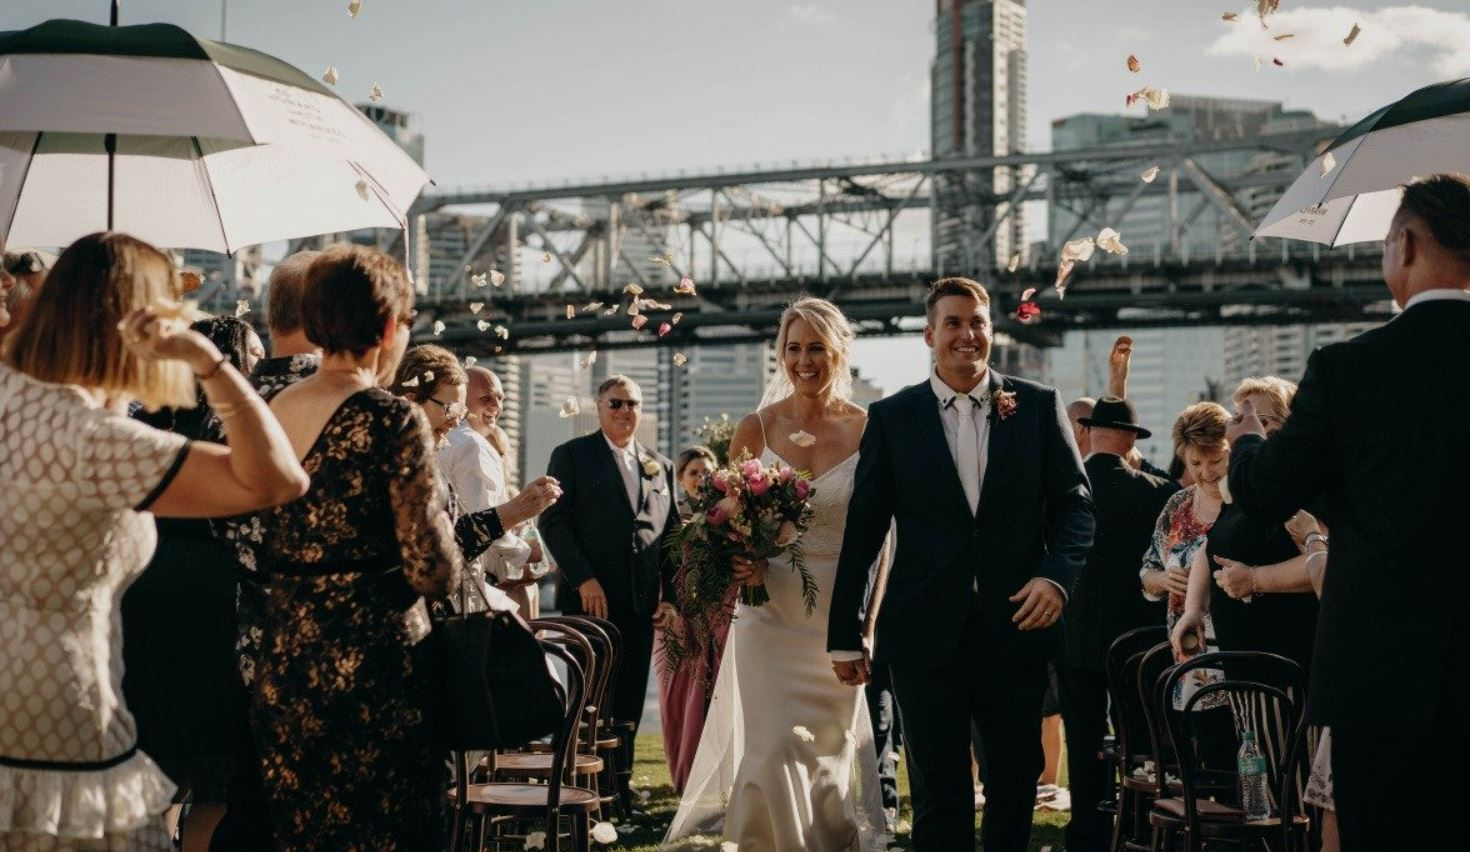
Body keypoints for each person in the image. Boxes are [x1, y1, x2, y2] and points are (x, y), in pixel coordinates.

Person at [0, 231, 308, 850]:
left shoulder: (15, 401)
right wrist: (210, 364)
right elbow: (277, 479)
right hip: (62, 723)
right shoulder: (97, 443)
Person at [1224, 174, 1470, 851]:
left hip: (1377, 677)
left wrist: (1247, 442)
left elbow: (1265, 492)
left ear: (1406, 244)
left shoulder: (1348, 369)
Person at [828, 278, 1095, 852]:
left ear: (991, 331)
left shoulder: (1038, 405)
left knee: (1014, 786)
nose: (966, 334)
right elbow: (865, 530)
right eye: (953, 323)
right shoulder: (893, 417)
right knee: (938, 795)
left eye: (977, 322)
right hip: (923, 634)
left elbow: (1075, 506)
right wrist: (845, 634)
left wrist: (1056, 577)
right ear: (930, 335)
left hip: (1017, 627)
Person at [251, 245, 460, 850]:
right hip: (378, 669)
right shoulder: (392, 418)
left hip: (288, 662)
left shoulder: (274, 409)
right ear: (389, 327)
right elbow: (432, 570)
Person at [665, 297, 888, 850]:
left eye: (816, 348)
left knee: (827, 755)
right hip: (765, 612)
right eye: (793, 348)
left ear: (839, 351)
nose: (804, 360)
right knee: (771, 749)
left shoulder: (870, 429)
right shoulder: (755, 428)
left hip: (837, 613)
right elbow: (725, 520)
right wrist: (737, 559)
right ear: (780, 354)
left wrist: (866, 629)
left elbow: (884, 542)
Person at [121, 315, 265, 851]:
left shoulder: (146, 421)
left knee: (153, 773)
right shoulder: (239, 429)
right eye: (254, 355)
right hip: (214, 600)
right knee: (214, 784)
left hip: (144, 590)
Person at [209, 249, 320, 852]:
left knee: (250, 805)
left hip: (245, 640)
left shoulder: (229, 406)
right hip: (332, 648)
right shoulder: (349, 406)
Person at [1055, 397, 1177, 851]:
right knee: (1140, 738)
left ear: (1087, 433)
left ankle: (1086, 832)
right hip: (1137, 639)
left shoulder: (1062, 487)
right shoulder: (1158, 492)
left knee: (1082, 738)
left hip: (1076, 636)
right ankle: (1137, 827)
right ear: (1130, 440)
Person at [541, 375, 681, 756]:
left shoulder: (661, 466)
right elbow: (553, 522)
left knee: (629, 703)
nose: (624, 410)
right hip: (591, 602)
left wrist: (670, 597)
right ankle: (582, 778)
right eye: (615, 403)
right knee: (589, 700)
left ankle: (621, 780)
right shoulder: (572, 455)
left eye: (632, 403)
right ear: (599, 408)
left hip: (641, 605)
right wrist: (584, 579)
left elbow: (672, 537)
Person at [391, 345, 560, 613]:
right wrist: (518, 519)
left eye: (460, 410)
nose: (455, 422)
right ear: (412, 401)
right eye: (449, 408)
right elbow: (433, 549)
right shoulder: (395, 464)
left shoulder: (426, 454)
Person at [1173, 378, 1318, 679]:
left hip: (1288, 669)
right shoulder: (1245, 488)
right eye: (1240, 421)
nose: (1246, 430)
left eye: (1260, 420)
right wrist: (1193, 609)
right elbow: (1209, 547)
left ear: (1288, 424)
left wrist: (1254, 579)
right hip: (1242, 670)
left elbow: (1328, 563)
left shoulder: (1303, 486)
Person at [439, 365, 542, 613]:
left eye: (500, 398)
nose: (496, 405)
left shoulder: (440, 437)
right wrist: (527, 554)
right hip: (465, 584)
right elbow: (485, 521)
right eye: (486, 398)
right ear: (462, 401)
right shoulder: (472, 444)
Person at [657, 445, 724, 794]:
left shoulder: (727, 516)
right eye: (693, 473)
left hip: (717, 617)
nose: (701, 479)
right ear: (681, 479)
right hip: (677, 618)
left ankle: (714, 777)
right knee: (677, 699)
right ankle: (683, 776)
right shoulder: (669, 516)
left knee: (714, 696)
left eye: (706, 472)